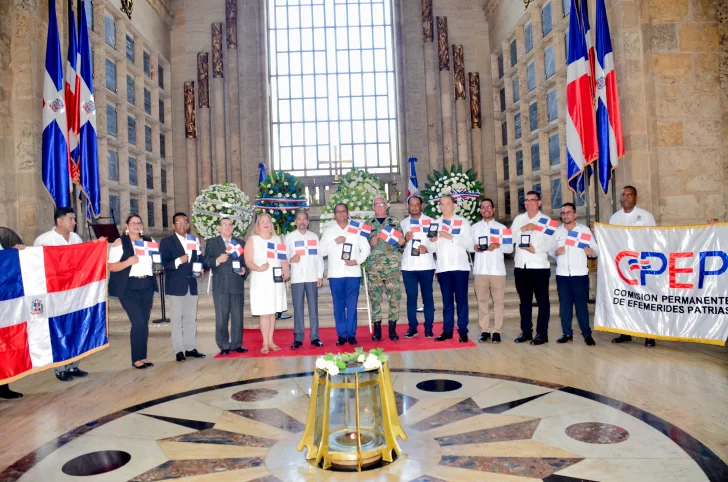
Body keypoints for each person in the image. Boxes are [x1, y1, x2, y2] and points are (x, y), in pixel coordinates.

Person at [33, 208, 89, 381]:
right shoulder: (44, 240)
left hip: (74, 293)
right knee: (59, 328)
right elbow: (36, 266)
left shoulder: (76, 238)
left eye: (74, 219)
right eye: (71, 219)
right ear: (59, 221)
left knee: (75, 327)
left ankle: (73, 365)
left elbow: (84, 260)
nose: (74, 222)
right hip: (55, 294)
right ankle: (60, 368)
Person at [609, 185, 657, 347]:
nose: (626, 197)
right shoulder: (614, 218)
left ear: (636, 197)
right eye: (624, 195)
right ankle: (626, 331)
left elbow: (654, 239)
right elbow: (611, 240)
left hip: (642, 264)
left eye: (630, 195)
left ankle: (649, 334)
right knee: (626, 298)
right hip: (623, 265)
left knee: (644, 298)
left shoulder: (646, 216)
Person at [108, 214, 158, 369]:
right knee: (138, 322)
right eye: (133, 223)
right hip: (128, 287)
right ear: (127, 226)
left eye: (139, 223)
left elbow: (156, 260)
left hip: (146, 285)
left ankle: (142, 356)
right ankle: (136, 359)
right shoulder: (119, 242)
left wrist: (157, 263)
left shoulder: (150, 241)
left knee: (144, 323)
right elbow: (111, 266)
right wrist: (128, 262)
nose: (136, 225)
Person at [320, 203, 371, 346]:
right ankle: (341, 334)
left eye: (344, 212)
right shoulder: (329, 231)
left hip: (353, 273)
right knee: (338, 305)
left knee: (352, 304)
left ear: (348, 214)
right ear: (334, 215)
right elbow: (321, 251)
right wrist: (334, 242)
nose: (341, 214)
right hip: (335, 274)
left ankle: (351, 334)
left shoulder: (356, 229)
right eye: (338, 212)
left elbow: (365, 248)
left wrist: (358, 261)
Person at [510, 191, 556, 346]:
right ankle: (526, 332)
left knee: (543, 301)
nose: (529, 203)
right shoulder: (518, 219)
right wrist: (522, 229)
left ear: (539, 202)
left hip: (539, 267)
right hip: (521, 266)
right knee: (524, 302)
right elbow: (509, 239)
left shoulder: (547, 221)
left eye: (533, 200)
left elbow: (551, 243)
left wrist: (535, 249)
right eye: (527, 200)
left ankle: (542, 334)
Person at [550, 203, 598, 346]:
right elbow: (550, 249)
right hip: (562, 275)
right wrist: (555, 252)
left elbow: (595, 249)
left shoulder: (584, 231)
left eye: (568, 212)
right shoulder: (557, 231)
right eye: (563, 213)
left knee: (581, 306)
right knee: (565, 306)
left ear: (575, 215)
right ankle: (567, 333)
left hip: (580, 275)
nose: (565, 215)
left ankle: (587, 334)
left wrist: (592, 252)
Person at [159, 212, 206, 362]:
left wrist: (202, 267)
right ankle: (178, 350)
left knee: (190, 319)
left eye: (184, 223)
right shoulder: (167, 242)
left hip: (191, 285)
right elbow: (163, 264)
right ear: (173, 226)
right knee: (176, 320)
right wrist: (179, 260)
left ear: (188, 225)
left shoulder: (194, 240)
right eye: (178, 223)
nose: (182, 225)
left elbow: (199, 258)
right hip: (175, 286)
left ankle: (190, 347)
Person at [429, 195, 473, 343]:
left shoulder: (463, 222)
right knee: (447, 301)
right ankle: (447, 331)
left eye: (448, 204)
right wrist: (432, 241)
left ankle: (463, 331)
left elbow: (470, 244)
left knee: (461, 300)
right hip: (443, 268)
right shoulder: (435, 224)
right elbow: (430, 248)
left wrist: (451, 237)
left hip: (460, 267)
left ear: (454, 205)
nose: (445, 206)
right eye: (442, 204)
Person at [244, 214, 289, 354]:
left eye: (268, 221)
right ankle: (264, 342)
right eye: (262, 221)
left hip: (275, 281)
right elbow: (248, 261)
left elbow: (283, 260)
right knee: (264, 313)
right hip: (261, 279)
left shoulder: (277, 240)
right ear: (257, 225)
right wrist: (258, 268)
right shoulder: (253, 240)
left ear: (271, 225)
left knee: (272, 312)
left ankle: (271, 340)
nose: (265, 223)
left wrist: (286, 271)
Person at [204, 217, 249, 356]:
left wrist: (244, 271)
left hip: (236, 284)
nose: (227, 227)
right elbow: (205, 262)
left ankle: (237, 344)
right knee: (222, 317)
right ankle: (224, 344)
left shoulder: (240, 243)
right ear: (219, 227)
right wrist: (217, 260)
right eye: (224, 225)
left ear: (233, 227)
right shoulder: (212, 242)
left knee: (237, 317)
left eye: (230, 225)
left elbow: (246, 262)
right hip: (220, 285)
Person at [472, 198, 513, 343]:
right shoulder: (474, 227)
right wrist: (474, 247)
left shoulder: (503, 228)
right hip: (480, 270)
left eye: (489, 207)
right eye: (483, 207)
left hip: (497, 270)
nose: (486, 210)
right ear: (480, 210)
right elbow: (469, 245)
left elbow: (509, 248)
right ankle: (484, 330)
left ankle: (497, 330)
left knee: (498, 302)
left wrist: (498, 244)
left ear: (493, 209)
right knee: (482, 301)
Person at [365, 196, 405, 341]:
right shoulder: (367, 224)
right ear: (373, 207)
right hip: (374, 267)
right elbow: (361, 246)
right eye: (376, 204)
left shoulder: (394, 222)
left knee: (394, 297)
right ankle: (377, 329)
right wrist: (370, 242)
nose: (379, 206)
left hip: (391, 267)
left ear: (386, 206)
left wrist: (402, 241)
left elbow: (401, 244)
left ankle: (392, 328)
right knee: (375, 297)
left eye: (382, 204)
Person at [285, 211, 324, 349]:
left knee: (313, 308)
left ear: (308, 222)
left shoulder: (314, 237)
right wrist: (290, 260)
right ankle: (298, 337)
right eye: (299, 219)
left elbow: (319, 257)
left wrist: (320, 275)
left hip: (312, 277)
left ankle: (315, 337)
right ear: (295, 222)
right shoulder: (289, 237)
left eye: (304, 219)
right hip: (297, 277)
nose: (302, 221)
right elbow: (284, 257)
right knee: (298, 309)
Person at [401, 195, 436, 339]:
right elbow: (399, 244)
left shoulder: (431, 222)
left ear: (421, 206)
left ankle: (428, 328)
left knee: (428, 297)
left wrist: (428, 249)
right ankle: (412, 327)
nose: (414, 207)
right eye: (411, 205)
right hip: (409, 266)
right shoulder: (403, 224)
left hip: (426, 264)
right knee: (411, 297)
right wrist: (405, 239)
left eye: (417, 204)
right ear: (408, 207)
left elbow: (435, 242)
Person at [0, 227, 25, 399]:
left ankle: (3, 386)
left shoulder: (2, 238)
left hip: (4, 300)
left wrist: (17, 252)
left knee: (4, 344)